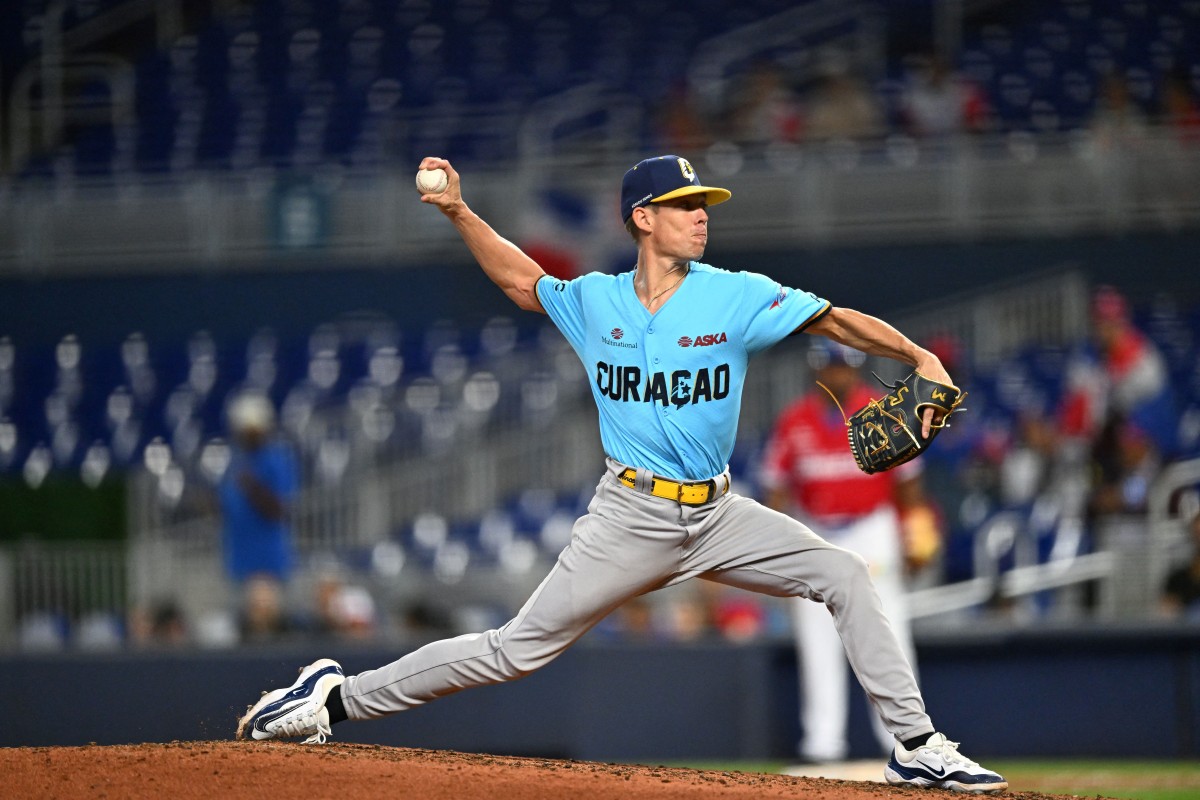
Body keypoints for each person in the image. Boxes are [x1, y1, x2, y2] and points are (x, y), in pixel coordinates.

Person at [236, 154, 1007, 793]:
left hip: (716, 515)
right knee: (515, 651)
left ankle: (916, 746)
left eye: (704, 204)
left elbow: (833, 319)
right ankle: (333, 702)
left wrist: (916, 357)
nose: (702, 214)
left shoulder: (734, 295)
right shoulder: (596, 302)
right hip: (628, 518)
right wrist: (459, 213)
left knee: (843, 574)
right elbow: (520, 282)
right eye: (683, 204)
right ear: (643, 218)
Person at [760, 340, 936, 764]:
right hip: (816, 530)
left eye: (844, 368)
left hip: (872, 528)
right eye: (830, 368)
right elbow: (775, 490)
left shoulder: (882, 412)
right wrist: (774, 551)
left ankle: (907, 743)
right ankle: (824, 746)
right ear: (815, 371)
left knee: (888, 631)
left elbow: (909, 483)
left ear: (855, 370)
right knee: (818, 638)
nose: (838, 375)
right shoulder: (794, 421)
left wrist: (918, 531)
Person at [219, 390, 300, 635]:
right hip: (239, 558)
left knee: (268, 625)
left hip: (267, 561)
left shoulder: (275, 459)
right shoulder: (238, 459)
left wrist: (252, 486)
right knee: (244, 628)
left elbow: (279, 510)